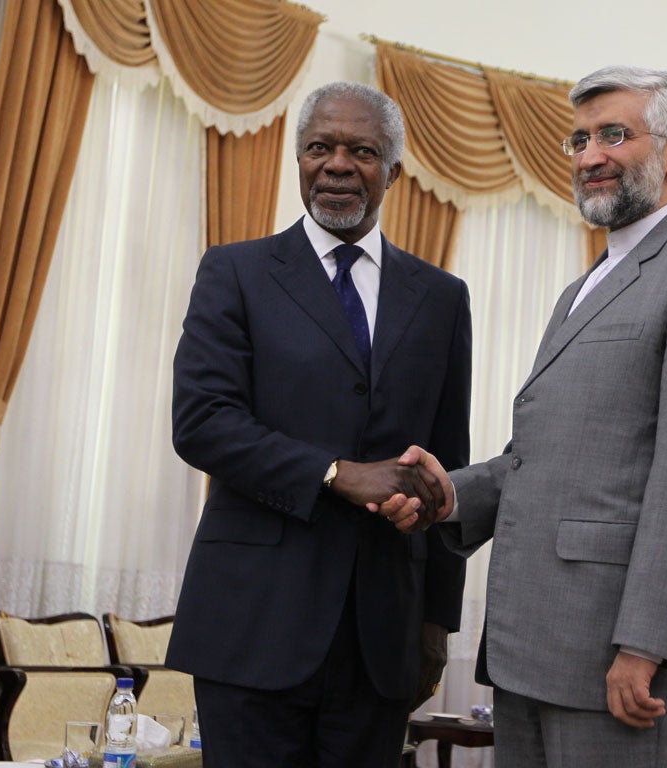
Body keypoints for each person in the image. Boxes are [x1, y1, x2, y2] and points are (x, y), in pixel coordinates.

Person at [377, 65, 667, 766]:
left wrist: (643, 644)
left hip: (618, 666)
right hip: (531, 650)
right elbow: (541, 456)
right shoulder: (582, 287)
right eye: (579, 139)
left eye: (613, 135)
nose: (589, 155)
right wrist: (447, 494)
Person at [166, 81, 472, 768]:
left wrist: (435, 622)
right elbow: (202, 422)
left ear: (393, 169)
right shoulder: (235, 272)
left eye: (361, 151)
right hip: (252, 627)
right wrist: (333, 473)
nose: (336, 165)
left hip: (382, 641)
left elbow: (448, 465)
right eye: (318, 148)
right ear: (298, 161)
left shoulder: (442, 299)